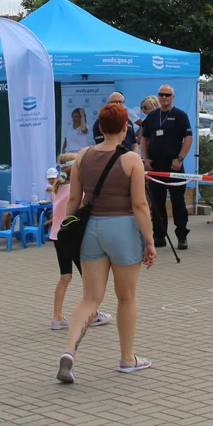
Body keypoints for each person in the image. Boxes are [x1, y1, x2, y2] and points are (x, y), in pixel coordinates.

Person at [56, 103, 156, 384]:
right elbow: (139, 204)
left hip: (93, 230)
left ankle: (69, 352)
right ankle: (127, 358)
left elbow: (74, 200)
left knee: (90, 298)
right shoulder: (132, 160)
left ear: (99, 128)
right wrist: (149, 241)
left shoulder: (83, 157)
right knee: (126, 297)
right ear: (125, 129)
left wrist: (67, 228)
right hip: (123, 230)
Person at [48, 153, 111, 331]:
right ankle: (93, 314)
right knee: (89, 277)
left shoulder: (58, 188)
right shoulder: (76, 191)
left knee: (65, 276)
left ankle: (57, 317)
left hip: (57, 236)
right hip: (73, 237)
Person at [140, 85, 193, 250]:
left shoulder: (180, 116)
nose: (164, 98)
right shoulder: (153, 116)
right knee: (157, 202)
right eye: (161, 95)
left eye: (167, 95)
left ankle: (182, 235)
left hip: (174, 166)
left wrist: (180, 159)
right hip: (156, 166)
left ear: (173, 97)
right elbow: (144, 138)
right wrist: (145, 158)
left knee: (178, 202)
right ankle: (159, 236)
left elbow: (188, 138)